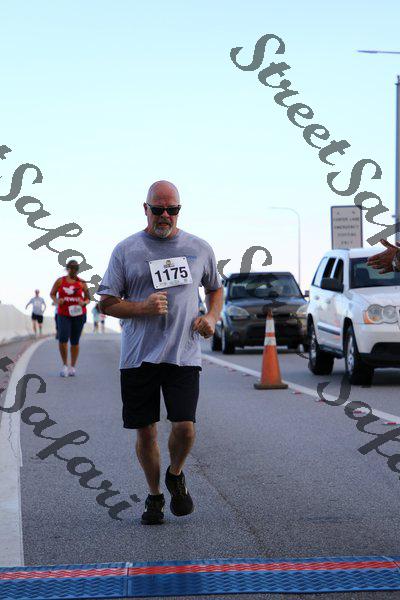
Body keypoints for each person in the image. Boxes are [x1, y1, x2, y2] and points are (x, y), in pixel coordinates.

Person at [98, 180, 223, 525]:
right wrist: (142, 308)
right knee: (147, 432)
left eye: (172, 209)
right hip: (138, 357)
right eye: (158, 209)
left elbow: (215, 289)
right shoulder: (126, 250)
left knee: (185, 428)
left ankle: (175, 474)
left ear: (179, 210)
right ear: (146, 209)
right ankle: (154, 496)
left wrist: (211, 317)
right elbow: (106, 302)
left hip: (183, 354)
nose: (165, 215)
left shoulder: (199, 248)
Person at [50, 260, 90, 377]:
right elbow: (52, 294)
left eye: (75, 269)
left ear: (77, 270)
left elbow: (88, 298)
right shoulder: (60, 281)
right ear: (67, 269)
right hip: (63, 314)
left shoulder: (82, 282)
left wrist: (84, 303)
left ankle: (72, 366)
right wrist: (57, 301)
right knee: (63, 339)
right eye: (71, 269)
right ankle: (64, 365)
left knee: (75, 341)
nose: (73, 271)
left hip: (79, 314)